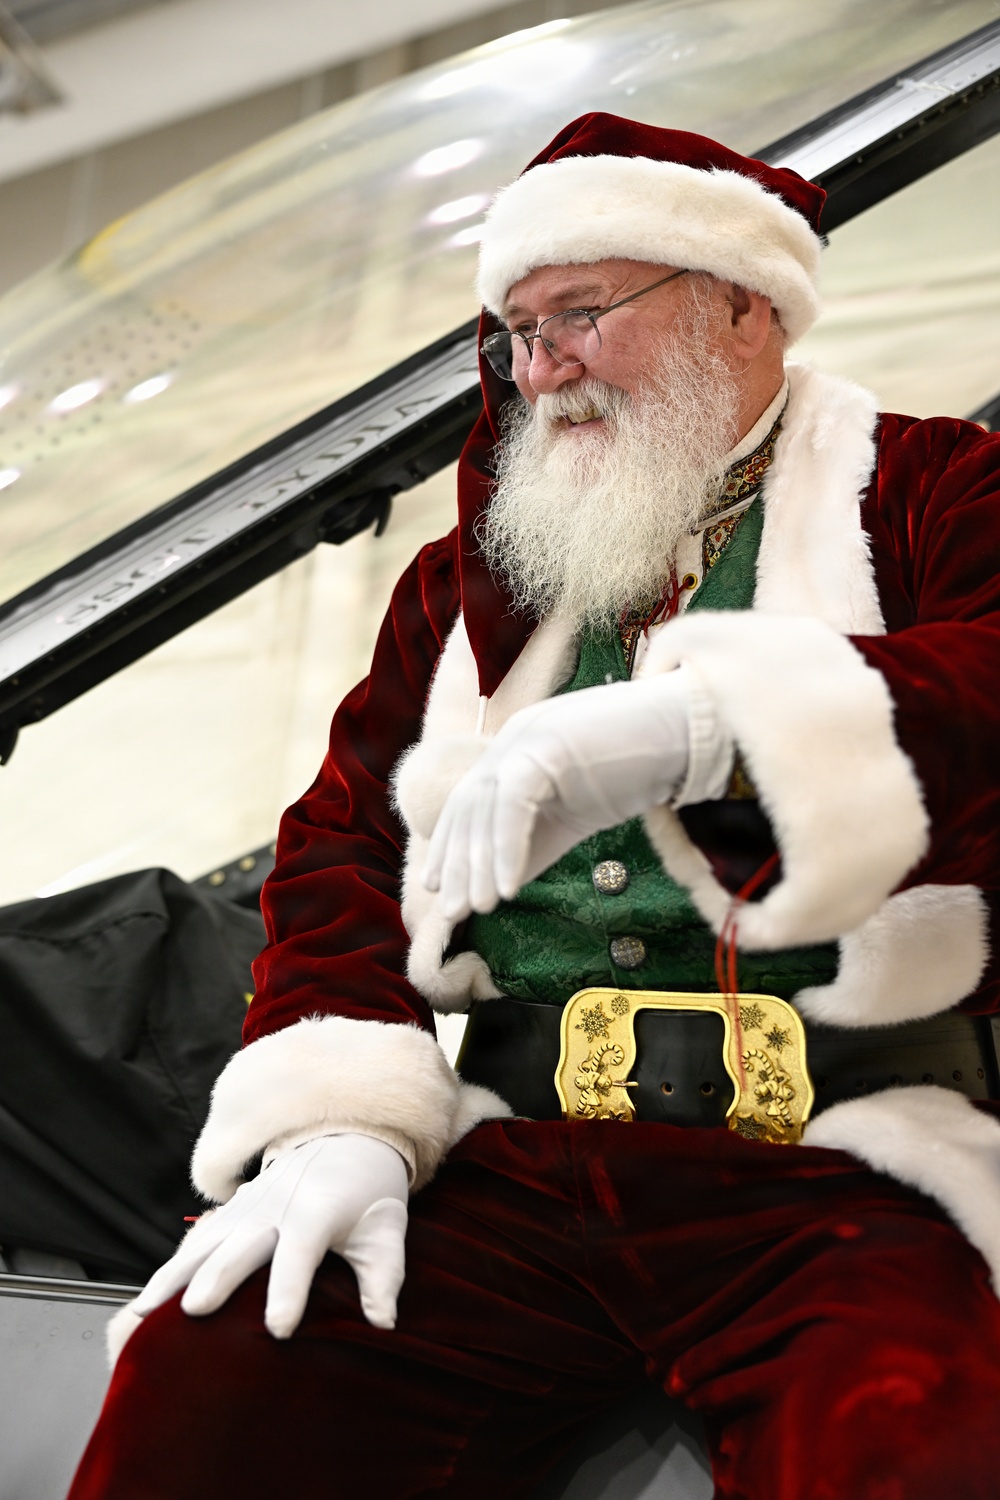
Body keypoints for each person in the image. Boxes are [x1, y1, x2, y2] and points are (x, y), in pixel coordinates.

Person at [69, 114, 1000, 1500]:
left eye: (579, 314)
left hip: (840, 1170)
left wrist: (708, 727)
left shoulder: (930, 492)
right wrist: (340, 1126)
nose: (535, 364)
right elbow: (341, 845)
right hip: (518, 1154)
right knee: (216, 1379)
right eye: (513, 329)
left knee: (913, 1438)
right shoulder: (473, 576)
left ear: (742, 308)